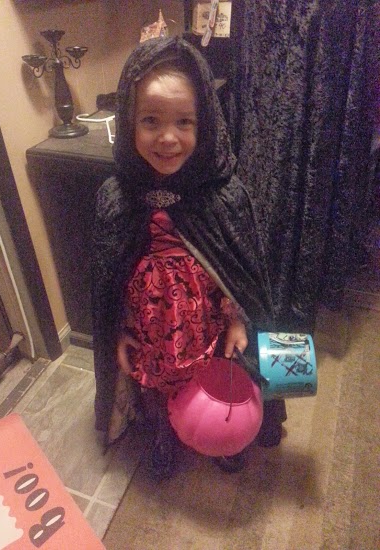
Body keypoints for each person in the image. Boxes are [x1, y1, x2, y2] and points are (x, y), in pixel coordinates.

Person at [92, 36, 285, 478]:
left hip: (207, 328)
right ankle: (165, 431)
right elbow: (110, 281)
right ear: (128, 121)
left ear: (206, 124)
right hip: (149, 329)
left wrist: (238, 321)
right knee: (156, 384)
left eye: (184, 122)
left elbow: (240, 277)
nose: (167, 138)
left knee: (217, 375)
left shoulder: (225, 197)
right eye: (150, 120)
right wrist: (118, 329)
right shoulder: (116, 198)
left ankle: (222, 430)